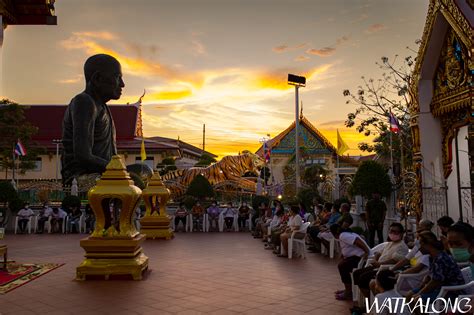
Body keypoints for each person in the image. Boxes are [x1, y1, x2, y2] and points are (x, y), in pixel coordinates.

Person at [62, 54, 124, 185]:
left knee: (144, 172)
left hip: (105, 173)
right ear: (97, 78)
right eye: (118, 78)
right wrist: (117, 169)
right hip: (82, 177)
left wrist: (119, 169)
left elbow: (112, 156)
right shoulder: (84, 102)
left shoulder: (103, 107)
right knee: (133, 179)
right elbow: (83, 156)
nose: (122, 84)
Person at [353, 223, 408, 301]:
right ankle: (365, 298)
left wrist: (379, 264)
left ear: (401, 233)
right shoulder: (390, 243)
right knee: (357, 273)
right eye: (391, 231)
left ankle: (369, 302)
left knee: (363, 277)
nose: (393, 233)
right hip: (377, 266)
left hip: (386, 269)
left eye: (396, 232)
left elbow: (394, 260)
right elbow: (379, 252)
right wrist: (375, 259)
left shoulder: (402, 246)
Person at [406, 231, 465, 302]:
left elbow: (435, 281)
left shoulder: (441, 259)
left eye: (420, 244)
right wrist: (422, 286)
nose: (419, 248)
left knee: (416, 300)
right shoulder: (431, 257)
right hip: (438, 288)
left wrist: (420, 293)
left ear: (427, 244)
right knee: (409, 295)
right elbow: (431, 276)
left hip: (450, 291)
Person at [330, 223, 370, 301]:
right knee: (344, 264)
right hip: (356, 257)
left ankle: (348, 292)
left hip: (363, 259)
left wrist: (366, 252)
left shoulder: (343, 235)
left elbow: (357, 240)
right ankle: (348, 289)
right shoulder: (344, 234)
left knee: (342, 266)